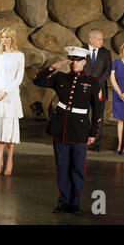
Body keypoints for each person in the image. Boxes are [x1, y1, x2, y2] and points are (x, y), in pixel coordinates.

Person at [33, 46, 103, 215]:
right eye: (71, 59)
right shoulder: (61, 77)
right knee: (62, 168)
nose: (73, 63)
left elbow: (98, 110)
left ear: (84, 62)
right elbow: (38, 81)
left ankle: (75, 203)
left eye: (77, 60)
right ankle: (63, 201)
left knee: (78, 169)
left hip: (80, 131)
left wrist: (93, 133)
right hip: (60, 129)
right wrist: (51, 68)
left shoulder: (92, 82)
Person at [0, 27, 25, 176]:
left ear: (12, 38)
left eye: (7, 37)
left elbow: (18, 78)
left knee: (9, 130)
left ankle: (9, 161)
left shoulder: (19, 55)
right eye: (2, 37)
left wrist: (5, 92)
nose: (4, 40)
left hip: (10, 97)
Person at [83, 29, 112, 152]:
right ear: (91, 40)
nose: (102, 41)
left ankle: (95, 143)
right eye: (99, 39)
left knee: (98, 117)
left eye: (102, 38)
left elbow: (107, 71)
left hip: (100, 89)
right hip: (84, 88)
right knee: (83, 115)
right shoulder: (82, 50)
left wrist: (96, 82)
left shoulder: (106, 53)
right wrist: (87, 82)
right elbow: (77, 67)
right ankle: (83, 141)